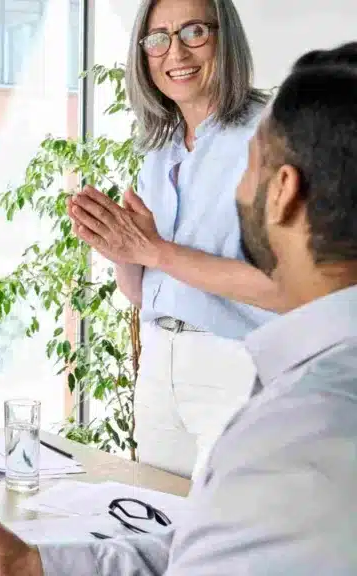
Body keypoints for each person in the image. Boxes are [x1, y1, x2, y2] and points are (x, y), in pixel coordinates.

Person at [0, 42, 357, 576]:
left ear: (283, 193)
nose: (239, 189)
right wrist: (31, 566)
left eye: (248, 167)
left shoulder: (298, 432)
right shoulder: (308, 404)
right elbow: (202, 543)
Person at [66, 0, 284, 480]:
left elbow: (285, 289)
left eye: (194, 32)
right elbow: (145, 291)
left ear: (225, 38)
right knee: (158, 526)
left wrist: (152, 250)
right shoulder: (160, 146)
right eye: (158, 38)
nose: (175, 52)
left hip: (238, 365)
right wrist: (120, 250)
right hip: (161, 362)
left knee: (226, 539)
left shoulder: (275, 135)